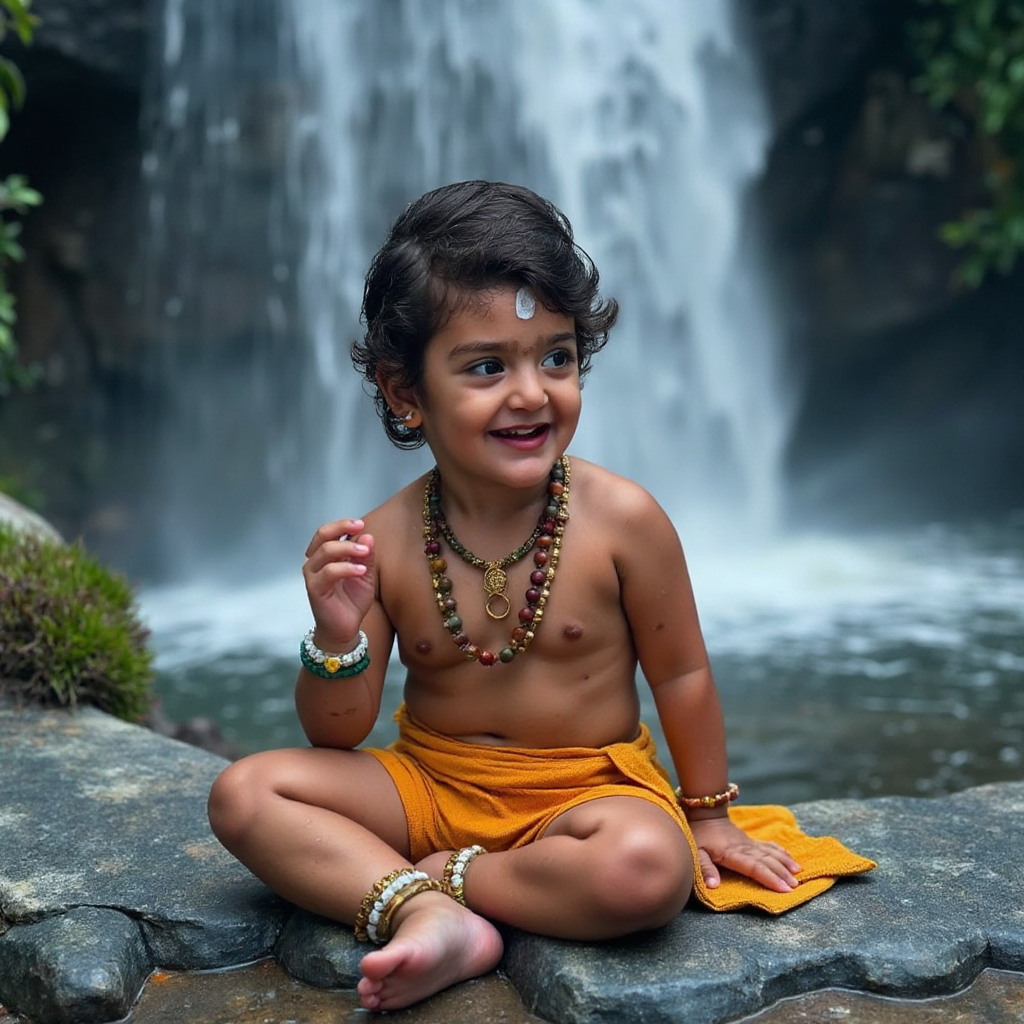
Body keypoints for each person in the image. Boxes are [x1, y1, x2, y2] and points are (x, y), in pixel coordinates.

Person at [207, 180, 864, 1013]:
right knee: (245, 793)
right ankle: (431, 917)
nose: (531, 392)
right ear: (405, 391)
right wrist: (337, 638)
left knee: (646, 873)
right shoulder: (385, 540)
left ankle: (458, 882)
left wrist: (706, 818)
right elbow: (335, 733)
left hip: (585, 794)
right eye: (487, 366)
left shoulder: (624, 520)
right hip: (429, 786)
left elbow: (683, 678)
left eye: (555, 356)